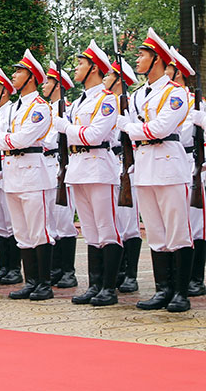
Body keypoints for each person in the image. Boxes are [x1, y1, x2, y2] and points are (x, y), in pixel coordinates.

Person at [123, 29, 193, 312]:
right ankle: (163, 289)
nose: (137, 59)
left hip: (169, 167)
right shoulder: (139, 95)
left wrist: (131, 128)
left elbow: (160, 128)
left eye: (142, 55)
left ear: (157, 60)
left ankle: (180, 292)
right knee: (155, 232)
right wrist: (131, 129)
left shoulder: (176, 93)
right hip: (145, 168)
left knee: (177, 231)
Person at [53, 41, 122, 306]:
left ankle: (109, 288)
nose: (76, 68)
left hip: (98, 168)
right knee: (91, 231)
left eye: (81, 63)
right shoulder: (80, 101)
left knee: (106, 229)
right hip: (79, 168)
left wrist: (66, 128)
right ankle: (95, 285)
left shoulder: (106, 99)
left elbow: (95, 135)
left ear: (94, 67)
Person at [0, 50, 55, 301]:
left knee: (39, 231)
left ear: (31, 77)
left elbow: (20, 139)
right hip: (13, 173)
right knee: (22, 232)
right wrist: (5, 140)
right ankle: (31, 281)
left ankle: (44, 284)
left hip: (32, 173)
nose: (14, 75)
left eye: (19, 72)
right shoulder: (14, 108)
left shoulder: (40, 107)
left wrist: (1, 138)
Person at [166, 46, 204, 298]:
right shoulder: (164, 102)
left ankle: (196, 277)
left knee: (197, 225)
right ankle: (173, 280)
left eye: (169, 70)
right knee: (180, 224)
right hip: (175, 163)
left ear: (178, 74)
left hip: (196, 164)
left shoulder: (194, 103)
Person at [106, 58, 142, 293]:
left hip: (129, 164)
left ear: (120, 80)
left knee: (129, 222)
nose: (106, 77)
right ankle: (117, 269)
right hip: (111, 162)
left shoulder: (130, 107)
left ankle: (131, 274)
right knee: (114, 220)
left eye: (110, 74)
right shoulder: (104, 103)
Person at [41, 62, 78, 289]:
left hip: (59, 163)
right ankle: (54, 268)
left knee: (64, 220)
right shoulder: (46, 109)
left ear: (58, 85)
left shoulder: (68, 109)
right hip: (45, 166)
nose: (44, 85)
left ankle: (68, 271)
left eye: (48, 81)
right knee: (51, 219)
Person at [0, 68, 22, 285]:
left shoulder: (9, 111)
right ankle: (4, 267)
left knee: (11, 222)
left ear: (4, 92)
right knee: (0, 222)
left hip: (9, 170)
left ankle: (15, 268)